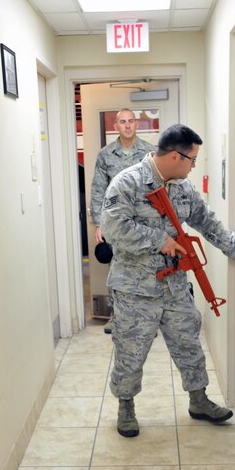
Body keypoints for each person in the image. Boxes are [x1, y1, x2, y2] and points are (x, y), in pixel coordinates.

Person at [101, 124, 235, 438]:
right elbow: (113, 228)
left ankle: (198, 400)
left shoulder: (183, 188)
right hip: (134, 289)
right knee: (131, 351)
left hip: (174, 286)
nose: (194, 166)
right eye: (192, 160)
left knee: (188, 343)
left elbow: (206, 220)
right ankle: (126, 406)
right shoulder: (127, 183)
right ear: (175, 156)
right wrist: (159, 240)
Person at [90, 108, 155, 333]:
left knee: (147, 268)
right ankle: (116, 316)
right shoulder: (106, 155)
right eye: (122, 122)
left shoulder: (150, 153)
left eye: (131, 121)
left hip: (145, 222)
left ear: (136, 125)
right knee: (117, 269)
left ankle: (148, 319)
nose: (127, 125)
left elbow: (159, 186)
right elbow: (98, 190)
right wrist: (99, 223)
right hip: (116, 222)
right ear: (116, 126)